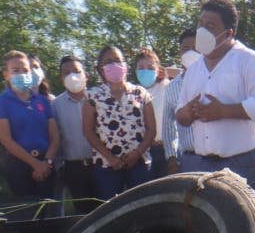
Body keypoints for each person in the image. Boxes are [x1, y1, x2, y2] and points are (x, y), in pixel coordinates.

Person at [176, 0, 255, 191]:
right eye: (200, 24)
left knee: (241, 213)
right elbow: (180, 114)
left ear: (228, 33)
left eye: (210, 26)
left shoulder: (248, 60)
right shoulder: (194, 68)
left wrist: (223, 112)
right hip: (200, 164)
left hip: (241, 163)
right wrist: (187, 113)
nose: (202, 30)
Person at [83, 45, 155, 199]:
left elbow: (151, 130)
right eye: (108, 62)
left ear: (125, 65)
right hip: (106, 165)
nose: (114, 65)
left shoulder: (141, 93)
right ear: (100, 68)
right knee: (111, 208)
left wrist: (137, 153)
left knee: (142, 205)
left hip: (139, 162)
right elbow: (88, 131)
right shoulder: (92, 96)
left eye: (118, 60)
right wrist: (110, 158)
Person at [0, 50, 60, 199]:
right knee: (28, 210)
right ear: (6, 74)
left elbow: (54, 137)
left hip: (46, 164)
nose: (22, 74)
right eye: (15, 70)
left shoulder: (42, 100)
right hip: (19, 165)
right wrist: (35, 164)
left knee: (51, 209)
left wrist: (46, 162)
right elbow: (5, 139)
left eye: (25, 70)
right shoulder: (2, 101)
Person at [54, 55, 101, 214]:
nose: (72, 76)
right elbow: (55, 137)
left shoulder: (99, 97)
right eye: (66, 73)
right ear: (61, 78)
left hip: (102, 164)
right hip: (74, 168)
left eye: (76, 71)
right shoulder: (56, 105)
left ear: (86, 75)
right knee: (83, 214)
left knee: (107, 208)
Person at [162, 29, 198, 175]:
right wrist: (171, 158)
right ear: (180, 52)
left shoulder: (216, 79)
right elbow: (168, 127)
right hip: (189, 159)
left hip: (219, 158)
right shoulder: (171, 87)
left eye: (195, 48)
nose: (190, 53)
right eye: (186, 48)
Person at [135, 47, 171, 179]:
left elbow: (184, 74)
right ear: (135, 71)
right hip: (142, 152)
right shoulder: (133, 92)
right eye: (141, 67)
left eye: (150, 67)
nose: (145, 71)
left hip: (165, 149)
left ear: (158, 70)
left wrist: (166, 72)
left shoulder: (166, 86)